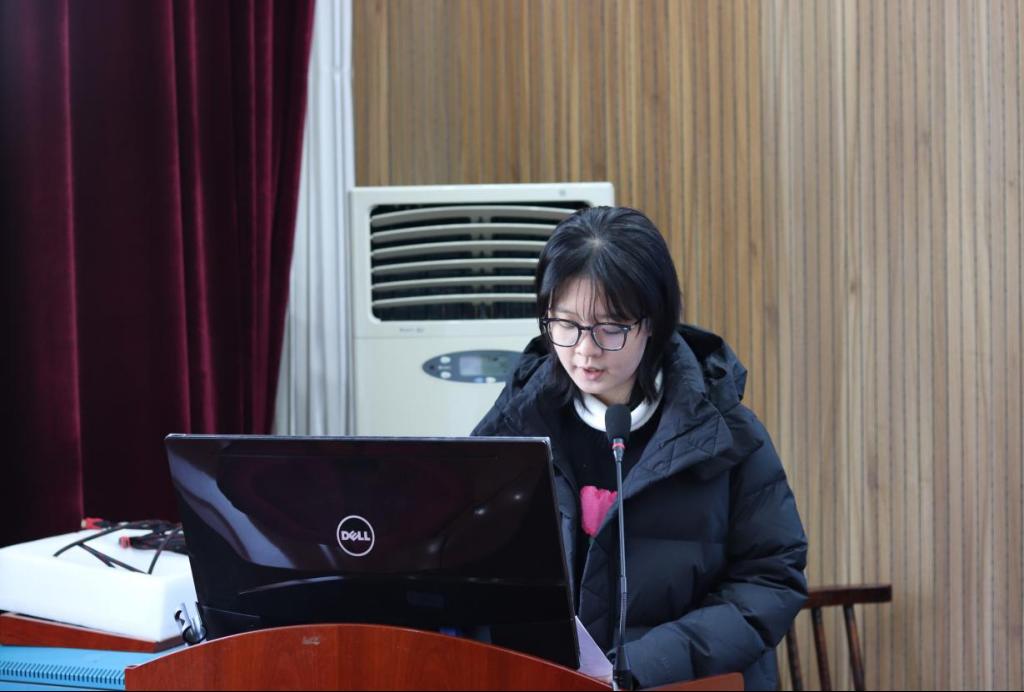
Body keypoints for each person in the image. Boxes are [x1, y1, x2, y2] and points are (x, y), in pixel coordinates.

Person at [472, 206, 807, 690]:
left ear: (653, 321)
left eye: (610, 328)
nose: (584, 350)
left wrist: (646, 665)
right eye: (564, 324)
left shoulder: (726, 433)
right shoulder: (514, 425)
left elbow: (771, 578)